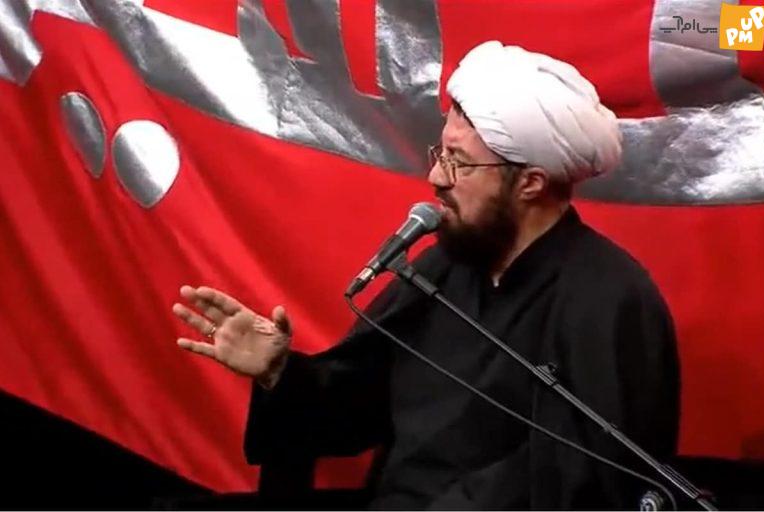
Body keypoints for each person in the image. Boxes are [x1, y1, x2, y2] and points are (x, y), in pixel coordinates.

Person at [172, 41, 680, 510]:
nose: (436, 177)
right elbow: (355, 405)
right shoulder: (443, 268)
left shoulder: (609, 299)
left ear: (529, 183)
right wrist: (280, 372)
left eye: (459, 163)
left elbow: (578, 480)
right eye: (442, 154)